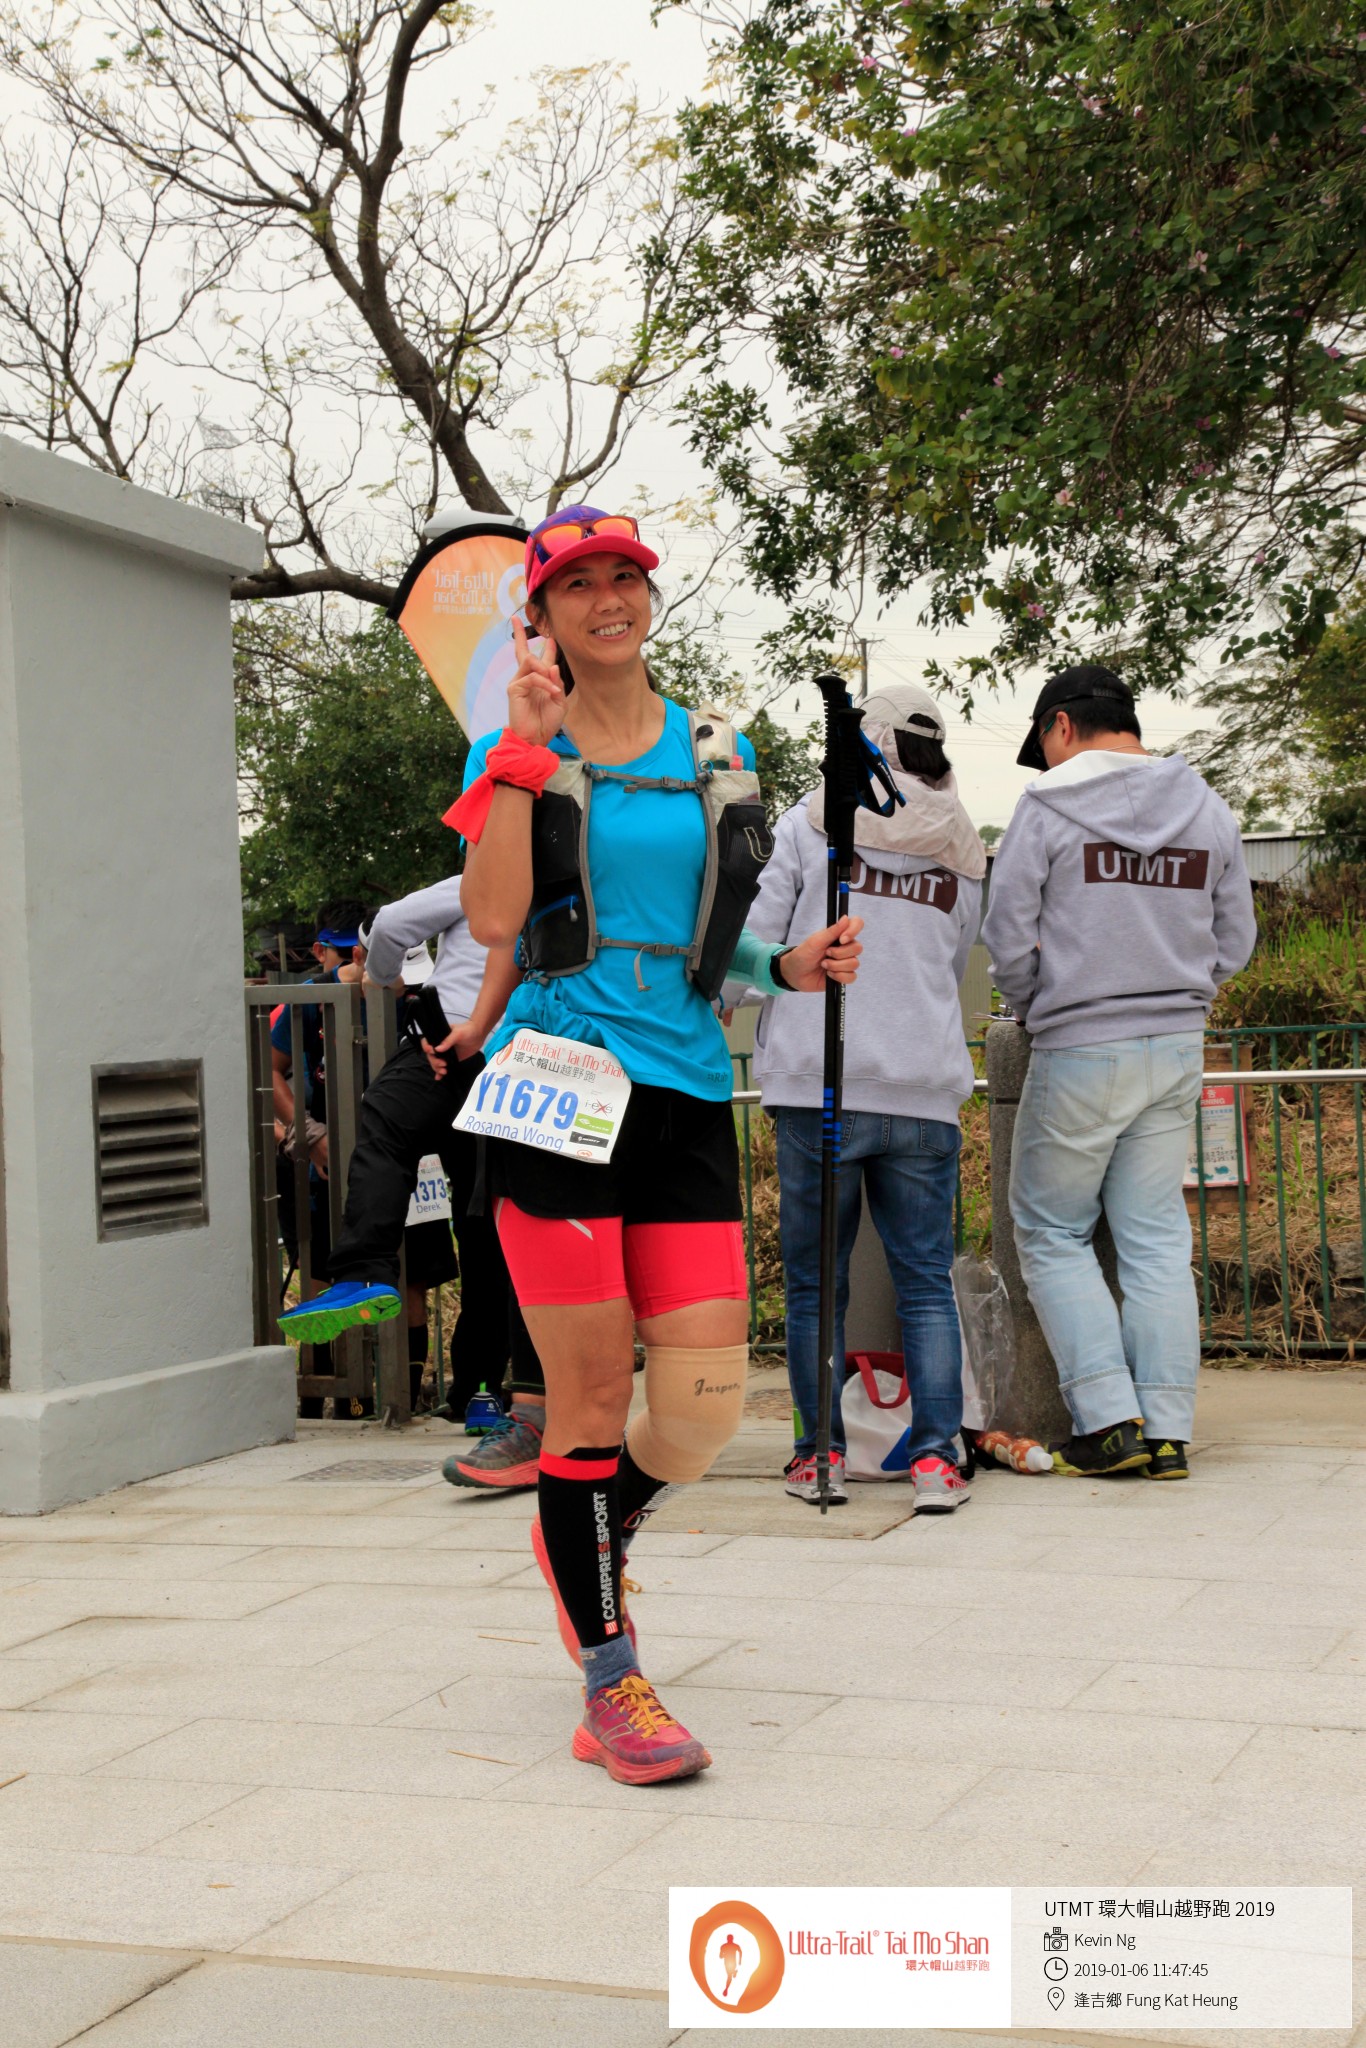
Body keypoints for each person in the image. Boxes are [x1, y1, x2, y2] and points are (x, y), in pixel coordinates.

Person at [451, 503, 862, 1785]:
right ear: (541, 612)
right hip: (558, 1083)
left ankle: (580, 1526)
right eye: (578, 583)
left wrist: (784, 965)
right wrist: (521, 754)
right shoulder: (515, 741)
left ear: (648, 595)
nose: (607, 599)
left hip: (684, 1084)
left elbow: (703, 928)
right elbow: (494, 916)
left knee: (697, 1408)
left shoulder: (715, 743)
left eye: (623, 576)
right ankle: (609, 1677)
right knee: (584, 1399)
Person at [983, 666, 1256, 1480]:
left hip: (1079, 1046)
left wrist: (1038, 1000)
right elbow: (1236, 940)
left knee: (1050, 1230)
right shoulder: (1207, 808)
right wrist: (1183, 990)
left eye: (1043, 744)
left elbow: (1007, 932)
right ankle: (1168, 1431)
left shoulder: (1047, 804)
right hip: (1175, 1045)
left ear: (1061, 726)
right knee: (1157, 1240)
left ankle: (1108, 1420)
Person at [737, 681, 985, 1510]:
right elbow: (953, 960)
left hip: (819, 1084)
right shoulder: (962, 842)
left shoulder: (811, 823)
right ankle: (937, 1461)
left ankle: (820, 1457)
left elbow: (758, 940)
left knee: (816, 1284)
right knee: (926, 1283)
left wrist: (725, 996)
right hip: (924, 1089)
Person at [277, 879, 546, 1477]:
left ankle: (366, 1270)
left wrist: (381, 981)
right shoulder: (575, 877)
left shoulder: (482, 879)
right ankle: (479, 1393)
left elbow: (393, 924)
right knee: (490, 1222)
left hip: (452, 1042)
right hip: (526, 1055)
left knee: (385, 1123)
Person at [270, 904, 366, 1417]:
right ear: (319, 951)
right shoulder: (301, 1002)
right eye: (340, 952)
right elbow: (267, 1068)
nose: (349, 962)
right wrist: (308, 1137)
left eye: (358, 952)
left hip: (372, 1155)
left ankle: (365, 1393)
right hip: (311, 1161)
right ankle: (316, 1391)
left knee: (371, 1272)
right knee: (316, 1270)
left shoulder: (390, 990)